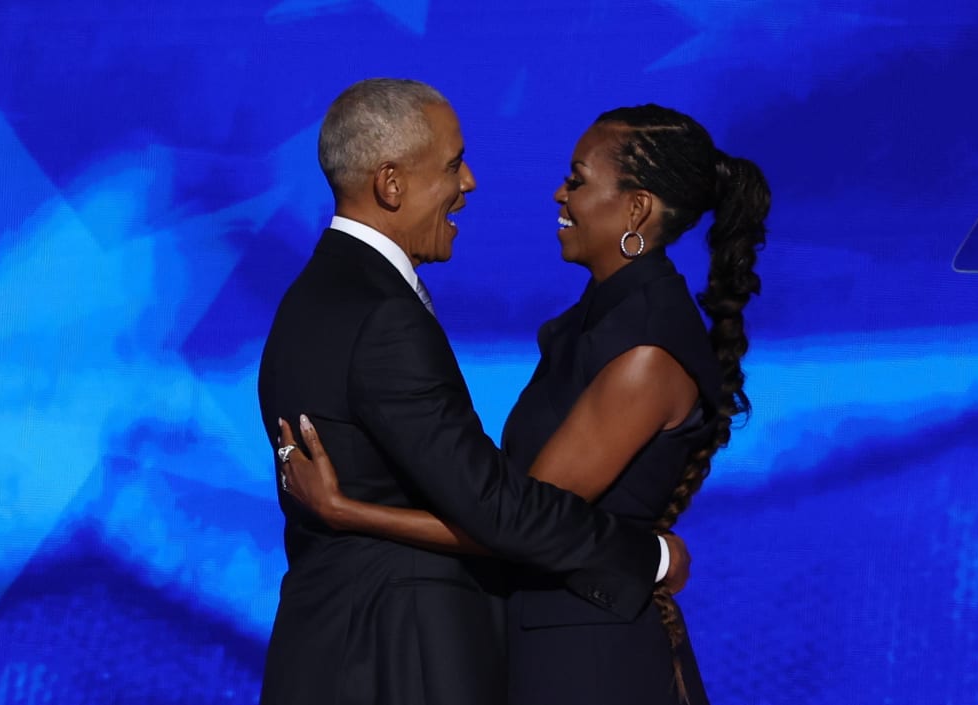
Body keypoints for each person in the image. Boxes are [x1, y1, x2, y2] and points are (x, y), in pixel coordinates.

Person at [276, 103, 770, 704]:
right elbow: (507, 510)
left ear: (636, 209)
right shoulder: (592, 329)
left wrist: (345, 510)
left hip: (587, 659)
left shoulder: (645, 350)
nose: (560, 194)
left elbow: (515, 520)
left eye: (579, 180)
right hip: (541, 641)